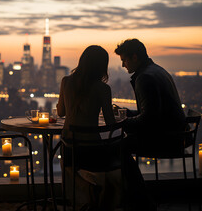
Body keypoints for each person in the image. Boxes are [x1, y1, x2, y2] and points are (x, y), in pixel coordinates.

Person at [57, 45, 119, 210]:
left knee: (67, 164)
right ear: (102, 66)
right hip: (93, 149)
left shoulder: (66, 82)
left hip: (69, 145)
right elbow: (110, 122)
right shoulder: (103, 89)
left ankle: (84, 193)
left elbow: (61, 112)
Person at [114, 38, 187, 155]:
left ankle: (132, 174)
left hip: (166, 139)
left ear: (134, 57)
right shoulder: (158, 70)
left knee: (115, 146)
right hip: (176, 135)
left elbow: (149, 119)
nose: (123, 65)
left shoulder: (145, 78)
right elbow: (150, 112)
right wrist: (124, 112)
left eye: (124, 60)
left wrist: (121, 122)